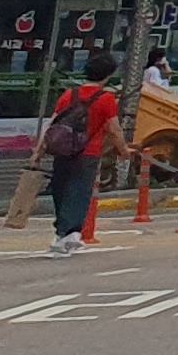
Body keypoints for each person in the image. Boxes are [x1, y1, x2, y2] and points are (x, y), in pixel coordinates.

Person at [41, 57, 116, 258]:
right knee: (79, 193)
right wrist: (124, 149)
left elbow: (51, 124)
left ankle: (64, 233)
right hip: (88, 152)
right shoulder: (106, 98)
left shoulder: (69, 94)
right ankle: (66, 234)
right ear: (108, 75)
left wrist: (39, 150)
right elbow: (114, 128)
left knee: (62, 190)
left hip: (63, 150)